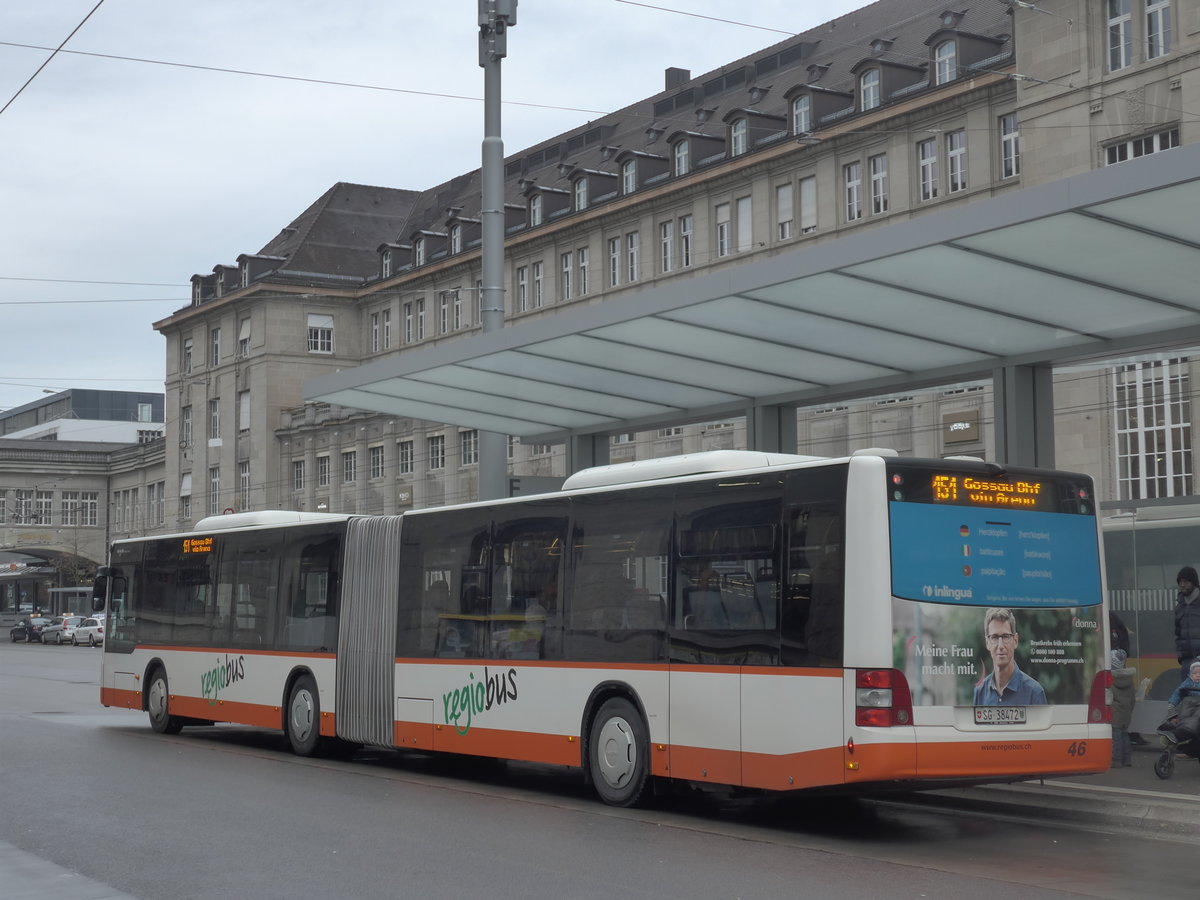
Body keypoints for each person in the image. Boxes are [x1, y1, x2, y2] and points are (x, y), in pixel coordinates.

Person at [973, 607, 1047, 706]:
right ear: (987, 643)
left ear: (1015, 641)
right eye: (994, 637)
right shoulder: (980, 693)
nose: (1000, 646)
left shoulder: (1034, 692)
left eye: (1005, 637)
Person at [1174, 567, 1200, 681]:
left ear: (1194, 583)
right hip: (1186, 660)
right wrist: (1180, 655)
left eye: (1185, 581)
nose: (1182, 585)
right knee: (1185, 692)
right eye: (1180, 582)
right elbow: (1178, 632)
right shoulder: (1180, 605)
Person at [1165, 659, 1200, 744]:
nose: (1198, 675)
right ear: (1190, 674)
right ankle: (1180, 729)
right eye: (1195, 673)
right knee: (1184, 713)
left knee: (1196, 717)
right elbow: (1177, 692)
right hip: (1188, 703)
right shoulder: (1188, 683)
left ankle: (1184, 732)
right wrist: (1172, 703)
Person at [1110, 649, 1135, 767]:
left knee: (1115, 737)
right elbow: (1133, 698)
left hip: (1115, 712)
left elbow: (1109, 697)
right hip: (1126, 712)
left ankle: (1116, 760)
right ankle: (1127, 759)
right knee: (1124, 734)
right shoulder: (1129, 679)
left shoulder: (1111, 679)